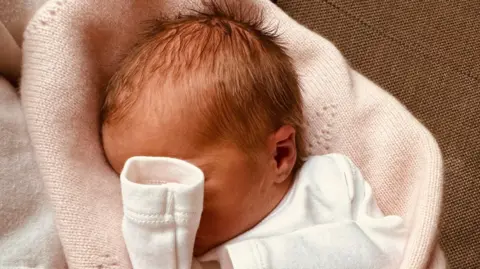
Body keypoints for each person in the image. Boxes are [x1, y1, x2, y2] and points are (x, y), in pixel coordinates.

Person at [100, 1, 406, 268]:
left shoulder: (327, 187)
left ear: (279, 154)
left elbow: (391, 251)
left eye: (187, 182)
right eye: (139, 191)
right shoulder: (179, 253)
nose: (164, 206)